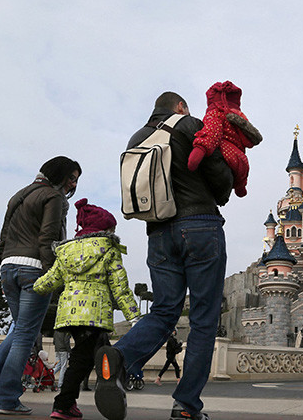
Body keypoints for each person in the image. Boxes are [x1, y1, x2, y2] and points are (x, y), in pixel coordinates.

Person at [94, 91, 233, 420]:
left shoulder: (137, 138)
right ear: (181, 106)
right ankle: (186, 405)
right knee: (203, 320)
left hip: (158, 234)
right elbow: (222, 183)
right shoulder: (189, 125)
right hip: (199, 226)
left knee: (163, 311)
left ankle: (119, 357)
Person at [0, 156, 81, 415]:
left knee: (21, 328)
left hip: (8, 267)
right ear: (60, 175)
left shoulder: (18, 195)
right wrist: (52, 274)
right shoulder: (54, 198)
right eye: (72, 179)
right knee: (25, 335)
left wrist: (4, 261)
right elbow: (49, 237)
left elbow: (3, 236)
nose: (72, 185)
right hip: (33, 268)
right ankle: (8, 398)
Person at [34, 198, 140, 420]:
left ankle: (93, 392)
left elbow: (52, 279)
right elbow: (120, 287)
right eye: (112, 228)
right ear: (105, 228)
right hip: (95, 313)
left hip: (69, 314)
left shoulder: (66, 251)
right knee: (84, 358)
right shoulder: (109, 248)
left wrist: (34, 287)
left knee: (98, 350)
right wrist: (134, 316)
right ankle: (64, 404)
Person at [187, 80, 262, 197]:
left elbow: (211, 133)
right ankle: (240, 186)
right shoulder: (238, 119)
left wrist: (199, 150)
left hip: (225, 155)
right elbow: (248, 140)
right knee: (241, 172)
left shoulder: (216, 113)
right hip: (241, 161)